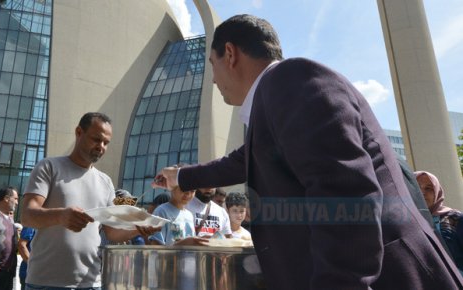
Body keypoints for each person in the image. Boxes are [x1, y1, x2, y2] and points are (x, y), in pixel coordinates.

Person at [153, 14, 463, 289]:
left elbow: (345, 191)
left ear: (230, 54)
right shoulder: (277, 94)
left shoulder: (291, 79)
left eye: (212, 65)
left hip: (392, 276)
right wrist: (181, 175)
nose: (214, 79)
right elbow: (243, 159)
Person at [21, 112, 157, 289]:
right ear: (79, 132)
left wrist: (137, 229)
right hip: (46, 282)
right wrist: (60, 216)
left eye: (106, 143)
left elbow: (111, 232)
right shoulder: (49, 167)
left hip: (90, 282)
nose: (101, 147)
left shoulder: (105, 182)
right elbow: (27, 215)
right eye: (96, 139)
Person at [415, 171, 463, 272]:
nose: (422, 192)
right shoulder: (403, 223)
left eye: (428, 188)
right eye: (416, 187)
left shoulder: (455, 218)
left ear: (437, 192)